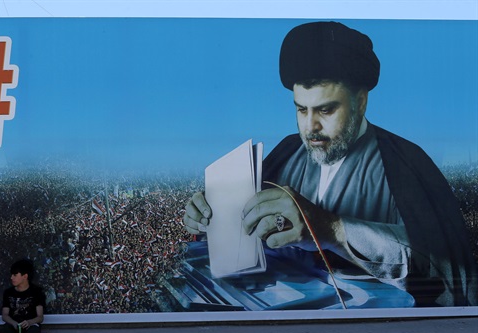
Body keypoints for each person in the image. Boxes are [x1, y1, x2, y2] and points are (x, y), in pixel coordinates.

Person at [183, 21, 477, 308]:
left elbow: (451, 274)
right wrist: (212, 217)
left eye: (325, 109)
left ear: (360, 102)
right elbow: (246, 230)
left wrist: (332, 229)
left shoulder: (406, 163)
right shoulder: (287, 151)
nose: (311, 127)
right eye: (301, 110)